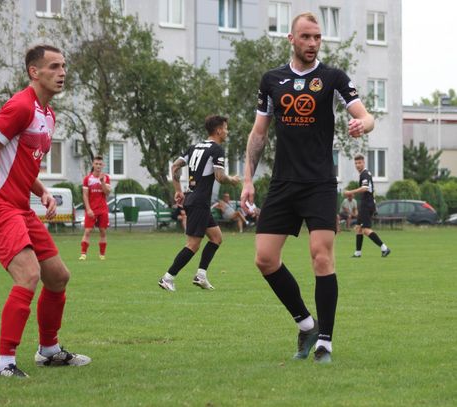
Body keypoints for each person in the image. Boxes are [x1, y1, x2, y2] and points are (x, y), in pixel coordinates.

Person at [240, 12, 375, 363]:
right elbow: (258, 134)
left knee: (321, 256)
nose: (313, 43)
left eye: (317, 37)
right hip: (283, 182)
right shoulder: (272, 80)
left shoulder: (333, 78)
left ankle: (325, 342)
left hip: (319, 183)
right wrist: (248, 179)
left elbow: (366, 115)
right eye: (306, 37)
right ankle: (306, 324)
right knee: (265, 259)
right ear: (291, 39)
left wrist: (362, 124)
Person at [0, 44, 91, 378]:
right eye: (54, 66)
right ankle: (4, 363)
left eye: (64, 66)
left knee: (58, 277)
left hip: (19, 207)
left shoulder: (48, 115)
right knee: (28, 275)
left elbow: (21, 163)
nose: (62, 73)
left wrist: (42, 191)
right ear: (34, 72)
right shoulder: (20, 106)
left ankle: (49, 351)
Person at [158, 115, 240, 291]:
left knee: (216, 238)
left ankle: (201, 275)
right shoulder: (217, 149)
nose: (227, 132)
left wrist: (178, 190)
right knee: (193, 245)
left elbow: (174, 166)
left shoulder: (193, 147)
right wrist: (232, 180)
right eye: (226, 128)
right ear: (218, 130)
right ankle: (167, 278)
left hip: (193, 199)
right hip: (200, 201)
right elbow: (219, 176)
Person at [345, 154, 391, 258]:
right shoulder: (364, 174)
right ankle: (358, 253)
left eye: (359, 163)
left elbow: (364, 188)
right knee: (358, 228)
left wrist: (350, 192)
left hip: (367, 205)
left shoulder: (364, 174)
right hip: (366, 204)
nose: (357, 165)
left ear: (364, 162)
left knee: (365, 229)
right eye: (356, 163)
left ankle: (384, 248)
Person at [79, 156, 111, 261]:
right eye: (96, 164)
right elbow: (85, 195)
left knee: (103, 231)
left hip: (102, 209)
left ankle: (102, 255)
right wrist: (88, 209)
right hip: (91, 209)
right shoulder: (87, 179)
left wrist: (102, 182)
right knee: (87, 231)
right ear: (93, 164)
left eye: (100, 164)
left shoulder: (106, 178)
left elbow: (107, 192)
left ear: (103, 165)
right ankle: (83, 254)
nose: (98, 166)